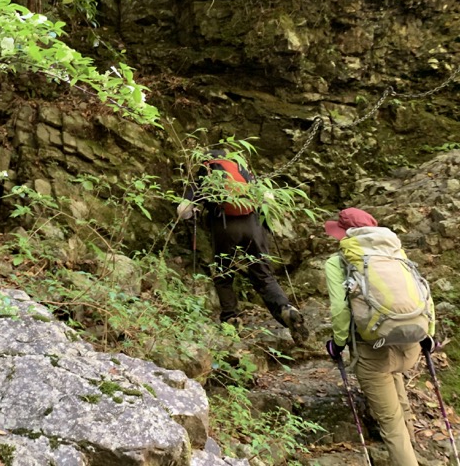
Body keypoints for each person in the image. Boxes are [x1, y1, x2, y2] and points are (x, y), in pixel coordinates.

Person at [323, 207, 436, 466]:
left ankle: (407, 459)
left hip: (373, 348)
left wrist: (338, 344)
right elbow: (423, 293)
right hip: (410, 346)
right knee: (398, 393)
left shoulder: (338, 262)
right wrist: (428, 335)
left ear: (344, 234)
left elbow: (340, 310)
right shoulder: (397, 254)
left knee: (391, 424)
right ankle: (413, 450)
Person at [177, 150, 309, 344]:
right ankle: (285, 309)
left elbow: (182, 210)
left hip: (224, 227)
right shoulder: (242, 171)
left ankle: (231, 318)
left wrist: (194, 213)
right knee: (263, 275)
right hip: (253, 225)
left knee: (224, 274)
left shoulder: (206, 174)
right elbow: (269, 198)